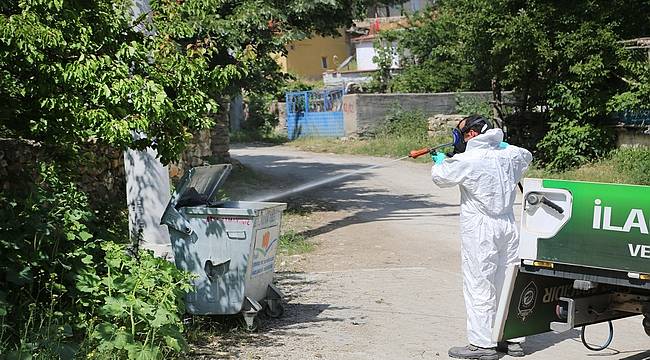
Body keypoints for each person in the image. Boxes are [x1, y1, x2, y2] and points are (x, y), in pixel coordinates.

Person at [431, 115, 533, 360]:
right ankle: (513, 340)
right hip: (508, 226)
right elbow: (526, 156)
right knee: (508, 282)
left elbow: (440, 177)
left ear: (472, 134)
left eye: (461, 133)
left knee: (479, 283)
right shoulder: (510, 155)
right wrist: (502, 146)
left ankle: (481, 345)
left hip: (481, 229)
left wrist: (440, 161)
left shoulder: (468, 160)